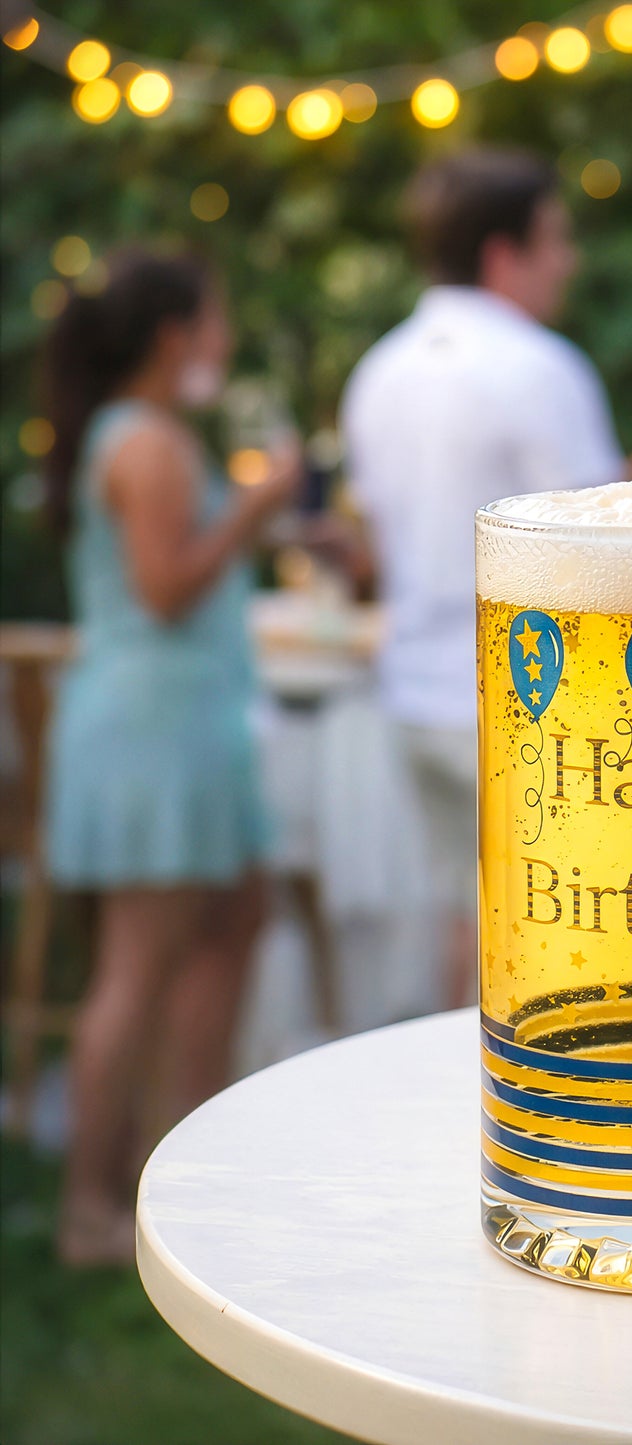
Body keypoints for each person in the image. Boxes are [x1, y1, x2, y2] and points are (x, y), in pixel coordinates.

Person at [41, 250, 299, 1265]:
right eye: (216, 319)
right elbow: (164, 586)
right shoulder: (146, 441)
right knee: (134, 969)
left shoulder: (139, 433)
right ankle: (90, 1210)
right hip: (153, 728)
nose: (223, 340)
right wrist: (259, 503)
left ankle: (180, 1162)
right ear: (174, 335)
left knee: (239, 911)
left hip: (186, 722)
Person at [341, 148, 624, 1010]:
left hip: (411, 692)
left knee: (452, 934)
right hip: (527, 703)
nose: (567, 261)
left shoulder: (376, 372)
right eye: (555, 240)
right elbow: (602, 551)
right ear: (504, 254)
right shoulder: (540, 368)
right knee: (546, 942)